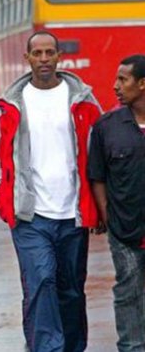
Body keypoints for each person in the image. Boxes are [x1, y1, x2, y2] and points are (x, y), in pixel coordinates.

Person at [0, 31, 102, 352]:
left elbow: (99, 151)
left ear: (59, 57)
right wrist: (3, 199)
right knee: (41, 282)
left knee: (70, 290)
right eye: (36, 54)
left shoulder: (83, 100)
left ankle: (71, 346)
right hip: (30, 216)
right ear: (27, 59)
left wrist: (98, 205)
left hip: (73, 215)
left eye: (49, 53)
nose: (43, 60)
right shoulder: (13, 103)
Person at [88, 54, 145, 352]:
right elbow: (97, 175)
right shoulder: (106, 127)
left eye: (123, 80)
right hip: (125, 228)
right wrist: (107, 215)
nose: (115, 86)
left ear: (143, 83)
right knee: (128, 290)